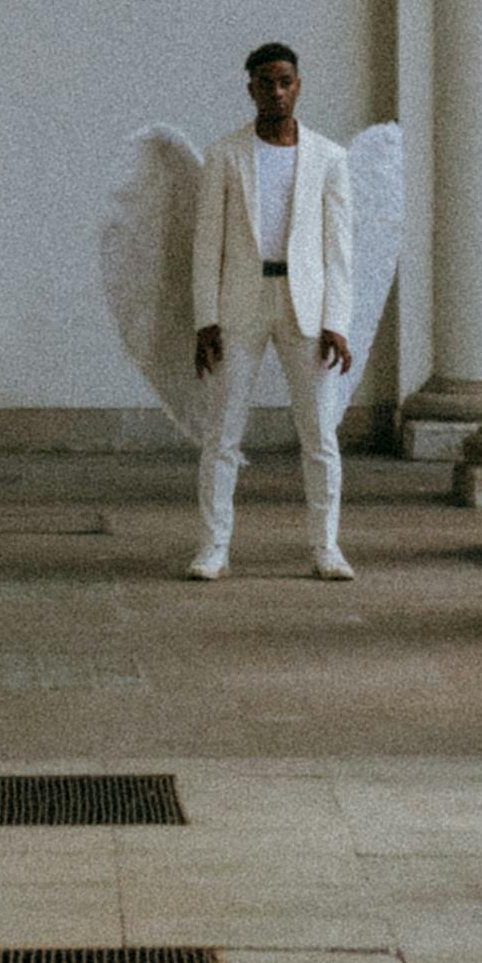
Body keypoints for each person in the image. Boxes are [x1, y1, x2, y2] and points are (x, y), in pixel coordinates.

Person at [186, 41, 358, 584]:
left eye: (285, 81)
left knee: (319, 434)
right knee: (222, 433)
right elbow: (205, 244)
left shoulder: (329, 158)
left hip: (305, 305)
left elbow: (339, 249)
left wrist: (338, 321)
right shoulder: (225, 156)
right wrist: (204, 319)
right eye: (266, 82)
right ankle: (214, 548)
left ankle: (326, 547)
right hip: (241, 301)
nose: (277, 91)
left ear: (299, 85)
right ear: (251, 88)